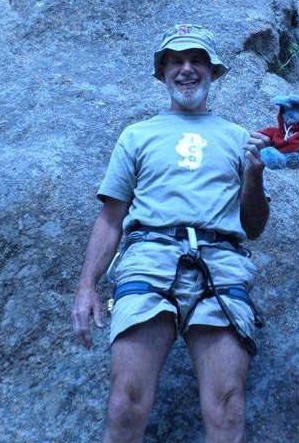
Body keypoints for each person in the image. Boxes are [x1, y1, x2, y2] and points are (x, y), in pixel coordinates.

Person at [72, 24, 270, 443]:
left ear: (212, 71)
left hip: (221, 260)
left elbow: (253, 227)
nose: (186, 69)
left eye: (197, 60)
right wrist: (87, 285)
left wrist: (254, 177)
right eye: (176, 61)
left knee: (228, 404)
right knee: (125, 400)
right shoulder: (137, 136)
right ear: (162, 71)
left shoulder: (239, 138)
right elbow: (111, 217)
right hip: (148, 255)